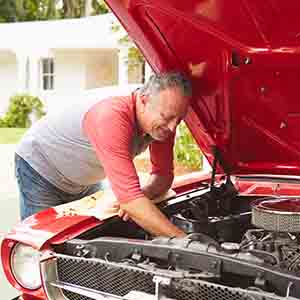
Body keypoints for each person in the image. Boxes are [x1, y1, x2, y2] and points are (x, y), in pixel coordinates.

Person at [15, 71, 192, 237]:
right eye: (167, 117)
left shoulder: (163, 121)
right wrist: (185, 242)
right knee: (45, 244)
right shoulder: (111, 117)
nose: (172, 127)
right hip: (40, 170)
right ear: (144, 101)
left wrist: (143, 196)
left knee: (88, 237)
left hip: (83, 177)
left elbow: (163, 176)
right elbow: (131, 202)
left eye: (179, 120)